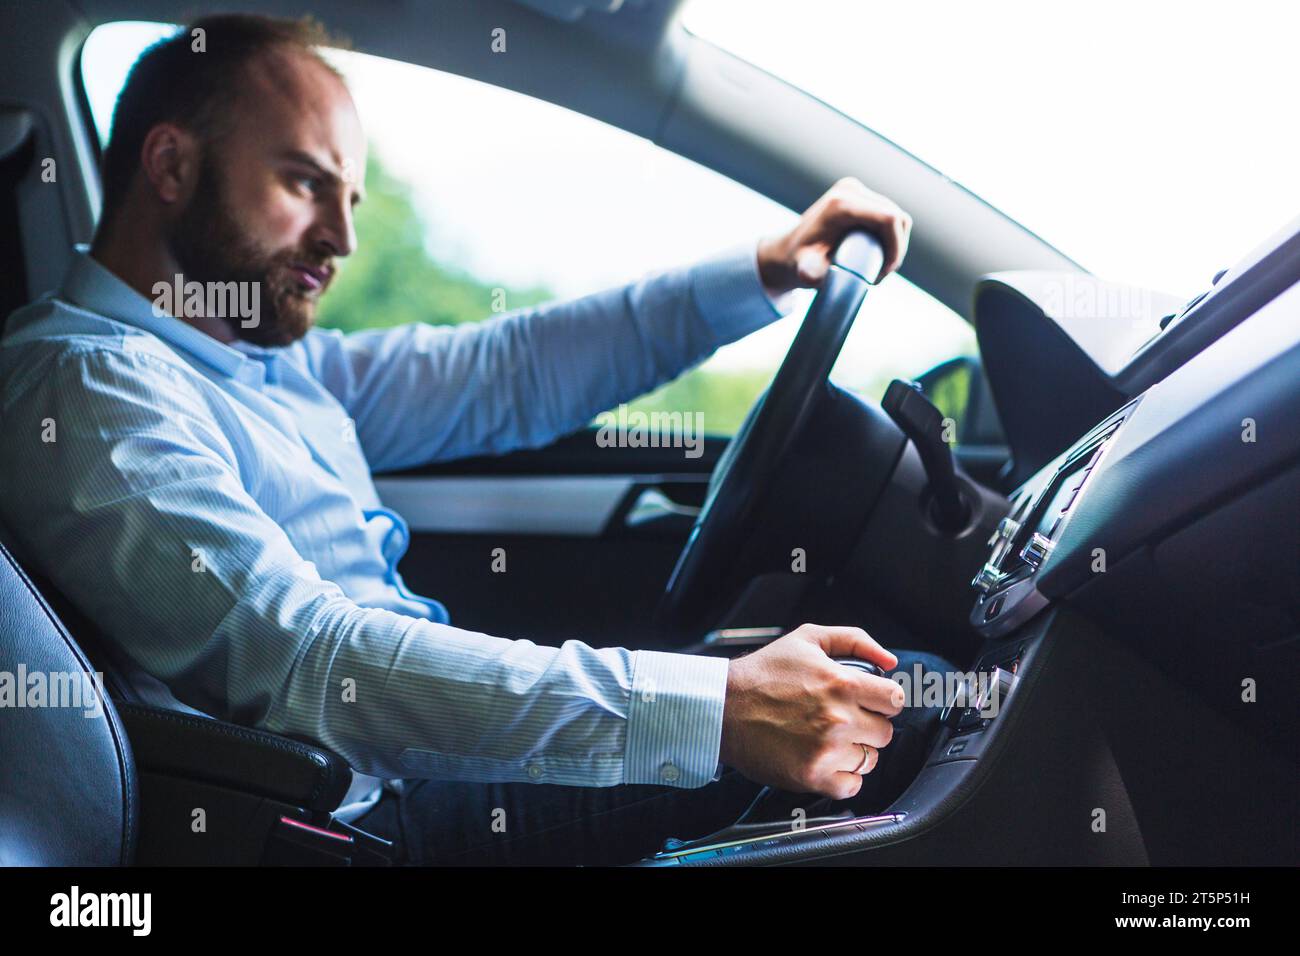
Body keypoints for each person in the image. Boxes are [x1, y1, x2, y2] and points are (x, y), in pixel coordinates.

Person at [0, 14, 948, 865]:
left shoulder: (256, 358)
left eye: (351, 202)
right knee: (914, 712)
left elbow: (511, 372)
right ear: (170, 167)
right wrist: (715, 709)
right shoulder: (90, 383)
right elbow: (312, 668)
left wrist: (764, 273)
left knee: (881, 693)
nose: (340, 239)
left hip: (417, 774)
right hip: (362, 821)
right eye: (304, 184)